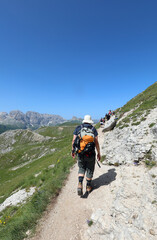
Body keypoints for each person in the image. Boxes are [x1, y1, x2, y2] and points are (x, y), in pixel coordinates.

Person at [71, 115, 101, 196]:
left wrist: (73, 150)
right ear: (90, 121)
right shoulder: (93, 129)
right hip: (91, 153)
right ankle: (88, 186)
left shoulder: (78, 128)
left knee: (81, 168)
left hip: (80, 153)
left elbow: (74, 140)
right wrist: (98, 153)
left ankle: (80, 183)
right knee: (90, 169)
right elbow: (96, 142)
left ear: (84, 121)